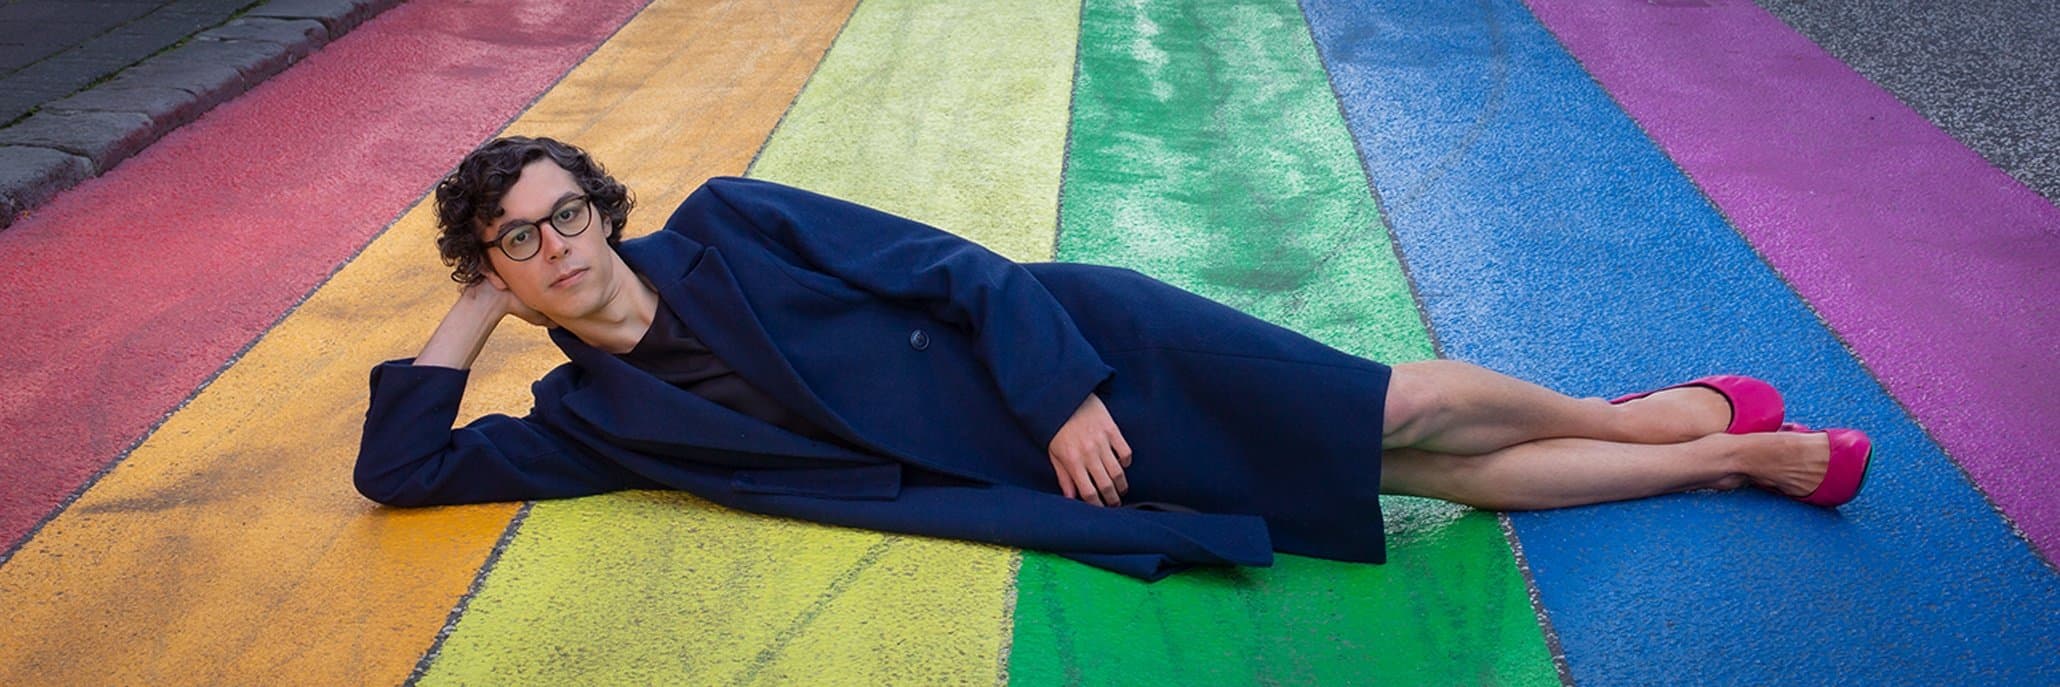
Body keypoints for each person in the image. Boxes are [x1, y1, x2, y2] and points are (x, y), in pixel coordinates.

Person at [355, 136, 1872, 580]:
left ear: (608, 212)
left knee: (1399, 401)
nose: (558, 248)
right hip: (1052, 477)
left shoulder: (733, 226)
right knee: (1416, 484)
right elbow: (403, 472)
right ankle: (1729, 450)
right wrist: (469, 323)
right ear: (497, 272)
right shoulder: (591, 419)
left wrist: (1066, 389)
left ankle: (1642, 416)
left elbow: (952, 271)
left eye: (569, 216)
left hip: (1084, 355)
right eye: (518, 244)